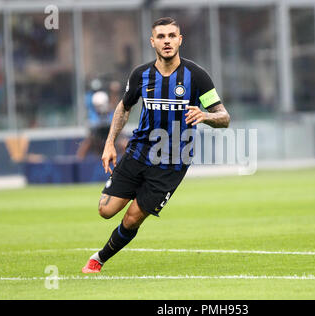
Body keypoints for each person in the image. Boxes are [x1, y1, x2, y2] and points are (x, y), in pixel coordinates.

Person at [82, 17, 230, 273]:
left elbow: (224, 117)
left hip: (172, 161)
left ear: (180, 40)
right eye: (161, 37)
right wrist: (109, 144)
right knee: (105, 211)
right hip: (139, 152)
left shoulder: (197, 76)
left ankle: (99, 258)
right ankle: (135, 188)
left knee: (132, 218)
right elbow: (124, 107)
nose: (167, 41)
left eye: (172, 35)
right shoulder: (142, 74)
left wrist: (205, 116)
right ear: (153, 42)